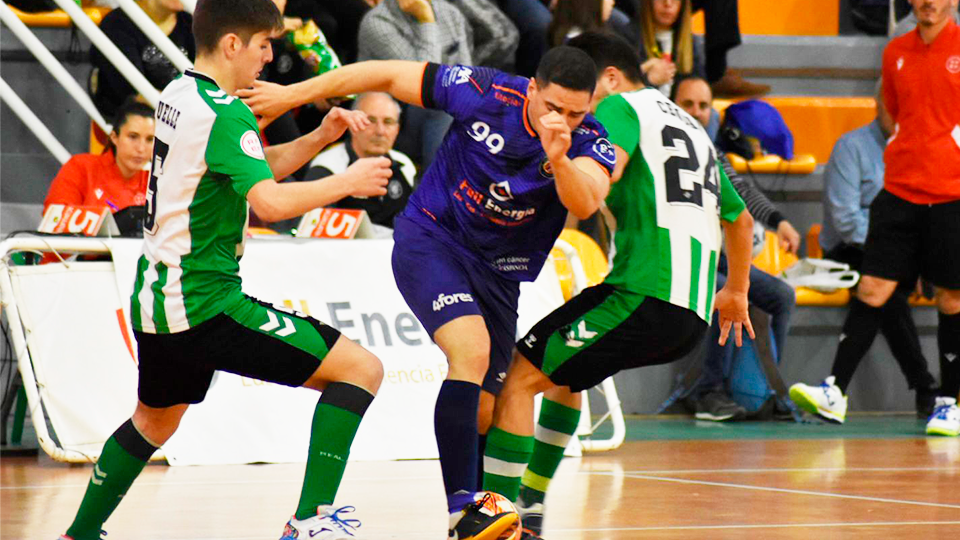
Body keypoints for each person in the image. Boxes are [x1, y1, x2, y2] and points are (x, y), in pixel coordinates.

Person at [240, 45, 616, 539]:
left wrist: (558, 157)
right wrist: (294, 93)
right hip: (433, 238)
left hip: (502, 270)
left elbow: (586, 200)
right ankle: (462, 509)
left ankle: (484, 519)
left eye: (574, 112)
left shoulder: (587, 139)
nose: (561, 119)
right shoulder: (484, 91)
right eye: (552, 107)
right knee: (471, 350)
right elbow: (385, 71)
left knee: (486, 405)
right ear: (531, 88)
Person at [57, 2, 394, 539]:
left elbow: (244, 172)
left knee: (155, 420)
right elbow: (270, 203)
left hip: (157, 296)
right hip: (205, 302)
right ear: (233, 44)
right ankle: (310, 522)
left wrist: (319, 137)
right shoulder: (227, 113)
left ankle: (79, 534)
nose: (269, 57)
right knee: (361, 369)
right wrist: (346, 181)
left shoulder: (179, 93)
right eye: (264, 44)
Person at [479, 31, 754, 538]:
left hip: (643, 294)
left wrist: (559, 167)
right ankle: (533, 507)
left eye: (586, 100)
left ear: (609, 78)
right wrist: (736, 292)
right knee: (563, 378)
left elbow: (602, 178)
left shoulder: (623, 110)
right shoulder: (692, 126)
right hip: (689, 312)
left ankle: (499, 516)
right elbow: (740, 222)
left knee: (518, 379)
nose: (581, 115)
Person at [790, 0, 959, 437]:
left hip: (950, 195)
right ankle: (835, 391)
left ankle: (949, 401)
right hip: (899, 190)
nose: (929, 2)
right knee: (872, 288)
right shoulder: (894, 52)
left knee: (952, 299)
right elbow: (898, 116)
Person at [808, 81, 939, 418]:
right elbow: (847, 222)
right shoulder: (851, 147)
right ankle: (926, 386)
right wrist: (902, 252)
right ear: (878, 103)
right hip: (848, 251)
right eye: (893, 102)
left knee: (885, 285)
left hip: (900, 253)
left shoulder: (922, 152)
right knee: (886, 289)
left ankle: (836, 390)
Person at [671, 74, 799, 421]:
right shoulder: (661, 148)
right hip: (679, 257)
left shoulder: (712, 152)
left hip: (717, 259)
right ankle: (708, 391)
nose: (697, 113)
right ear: (671, 105)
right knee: (723, 292)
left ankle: (759, 388)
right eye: (688, 104)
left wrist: (778, 221)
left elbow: (741, 192)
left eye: (703, 106)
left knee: (782, 295)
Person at [356, 0, 471, 169]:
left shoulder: (450, 13)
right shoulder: (377, 23)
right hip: (386, 120)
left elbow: (467, 75)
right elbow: (422, 81)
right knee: (441, 106)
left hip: (433, 110)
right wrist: (427, 20)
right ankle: (440, 187)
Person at [306, 92, 417, 229]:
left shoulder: (405, 165)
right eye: (370, 121)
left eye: (388, 122)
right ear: (352, 126)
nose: (380, 131)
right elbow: (314, 230)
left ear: (397, 129)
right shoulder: (327, 166)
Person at [44, 99, 155, 233]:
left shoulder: (155, 183)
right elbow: (54, 220)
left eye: (150, 139)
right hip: (82, 252)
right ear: (114, 137)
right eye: (133, 137)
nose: (141, 148)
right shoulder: (81, 167)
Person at [90, 0, 195, 121]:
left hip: (181, 118)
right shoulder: (116, 24)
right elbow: (135, 94)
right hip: (131, 120)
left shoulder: (190, 23)